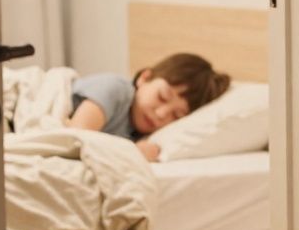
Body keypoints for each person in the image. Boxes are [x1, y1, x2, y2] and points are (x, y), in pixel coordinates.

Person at [67, 53, 231, 161]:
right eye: (162, 97)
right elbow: (76, 138)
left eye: (176, 116)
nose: (161, 114)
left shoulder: (142, 133)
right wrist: (132, 152)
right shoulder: (116, 89)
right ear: (145, 78)